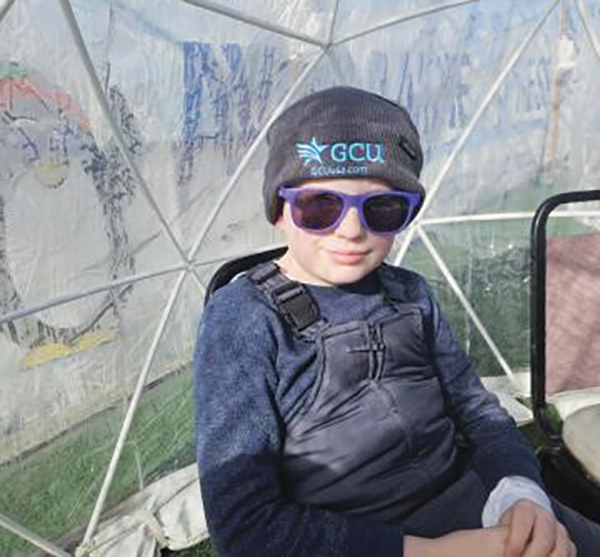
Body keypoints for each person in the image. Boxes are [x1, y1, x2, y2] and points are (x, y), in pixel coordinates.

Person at [193, 86, 600, 557]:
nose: (351, 230)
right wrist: (437, 553)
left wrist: (521, 493)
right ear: (279, 211)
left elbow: (478, 412)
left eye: (381, 208)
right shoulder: (243, 319)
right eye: (320, 206)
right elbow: (245, 527)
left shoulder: (410, 292)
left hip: (479, 506)